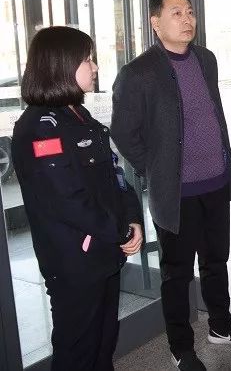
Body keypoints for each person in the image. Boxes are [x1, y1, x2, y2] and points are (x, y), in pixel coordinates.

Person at [111, 0, 231, 371]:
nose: (187, 19)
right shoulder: (137, 72)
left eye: (190, 11)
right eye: (176, 12)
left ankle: (221, 326)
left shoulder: (205, 59)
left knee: (216, 260)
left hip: (215, 181)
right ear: (155, 22)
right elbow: (123, 133)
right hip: (176, 193)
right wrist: (156, 169)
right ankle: (180, 347)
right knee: (177, 274)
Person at [11, 26, 144, 371]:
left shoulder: (80, 117)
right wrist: (120, 231)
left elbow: (116, 176)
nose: (95, 67)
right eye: (87, 59)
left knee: (103, 342)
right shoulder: (39, 127)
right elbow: (67, 199)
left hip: (104, 252)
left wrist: (132, 219)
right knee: (77, 351)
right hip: (75, 262)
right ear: (60, 64)